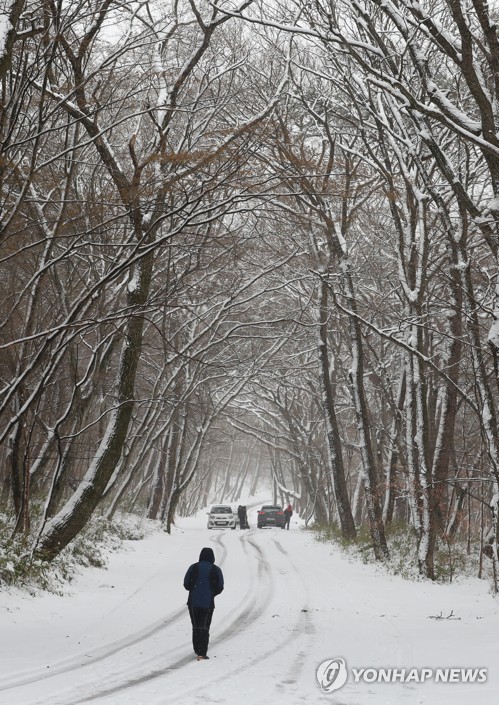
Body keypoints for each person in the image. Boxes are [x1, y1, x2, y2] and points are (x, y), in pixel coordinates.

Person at [183, 547, 224, 660]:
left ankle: (196, 648)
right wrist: (211, 593)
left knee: (195, 626)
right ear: (212, 557)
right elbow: (220, 586)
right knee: (204, 627)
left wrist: (195, 590)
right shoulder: (216, 570)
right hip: (208, 603)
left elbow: (186, 584)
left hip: (193, 603)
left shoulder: (193, 567)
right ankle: (202, 651)